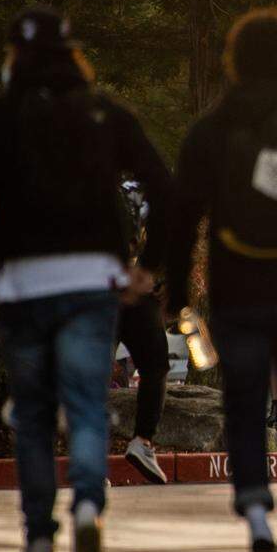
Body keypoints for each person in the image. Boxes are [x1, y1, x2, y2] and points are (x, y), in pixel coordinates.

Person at [0, 7, 171, 552]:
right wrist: (150, 267)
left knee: (35, 411)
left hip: (22, 284)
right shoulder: (104, 114)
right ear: (73, 56)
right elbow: (166, 188)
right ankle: (89, 508)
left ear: (15, 58)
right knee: (87, 402)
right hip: (93, 280)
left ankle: (40, 538)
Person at [168, 8, 277, 552]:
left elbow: (183, 215)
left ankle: (258, 520)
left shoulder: (211, 128)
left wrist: (176, 293)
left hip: (238, 287)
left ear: (234, 59)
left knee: (243, 404)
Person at [116, 179, 171, 483]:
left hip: (105, 284)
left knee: (93, 373)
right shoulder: (149, 182)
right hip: (128, 287)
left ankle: (139, 443)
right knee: (155, 365)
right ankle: (143, 440)